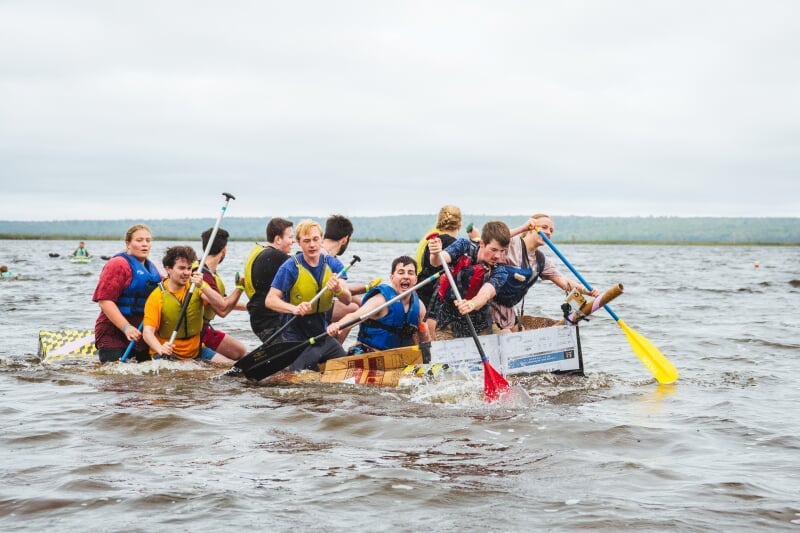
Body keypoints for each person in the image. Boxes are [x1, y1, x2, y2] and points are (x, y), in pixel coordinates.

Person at [265, 219, 351, 371]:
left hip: (321, 336)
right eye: (306, 241)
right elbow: (270, 300)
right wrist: (294, 309)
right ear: (299, 243)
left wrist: (338, 289)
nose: (312, 245)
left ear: (322, 240)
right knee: (300, 380)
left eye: (315, 239)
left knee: (346, 369)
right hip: (296, 338)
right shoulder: (290, 267)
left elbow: (347, 299)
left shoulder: (333, 264)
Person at [492, 214, 598, 332]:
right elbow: (492, 239)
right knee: (509, 337)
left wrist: (585, 290)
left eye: (551, 230)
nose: (548, 233)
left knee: (522, 335)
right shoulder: (512, 242)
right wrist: (523, 228)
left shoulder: (541, 260)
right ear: (531, 229)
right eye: (544, 227)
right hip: (488, 308)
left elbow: (564, 282)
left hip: (507, 312)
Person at [142, 245, 237, 366]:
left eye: (189, 268)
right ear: (168, 269)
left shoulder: (196, 287)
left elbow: (221, 305)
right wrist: (160, 348)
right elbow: (147, 333)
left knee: (233, 368)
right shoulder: (156, 297)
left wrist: (203, 285)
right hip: (167, 354)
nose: (187, 273)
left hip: (196, 352)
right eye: (181, 268)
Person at [427, 220, 511, 340]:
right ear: (482, 243)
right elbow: (437, 261)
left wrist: (471, 304)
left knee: (507, 338)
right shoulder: (464, 246)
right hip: (449, 322)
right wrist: (435, 253)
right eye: (494, 250)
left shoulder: (500, 270)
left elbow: (486, 294)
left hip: (480, 323)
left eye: (502, 251)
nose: (498, 256)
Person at [328, 256, 430, 353]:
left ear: (416, 279)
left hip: (397, 359)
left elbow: (424, 337)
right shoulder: (380, 300)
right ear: (392, 277)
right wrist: (338, 325)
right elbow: (354, 316)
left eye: (410, 273)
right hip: (367, 353)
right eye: (401, 272)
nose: (406, 276)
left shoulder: (419, 307)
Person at [92, 224, 163, 362]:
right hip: (114, 332)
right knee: (115, 379)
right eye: (139, 240)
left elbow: (168, 289)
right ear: (128, 243)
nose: (145, 244)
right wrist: (126, 328)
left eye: (148, 241)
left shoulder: (153, 267)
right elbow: (104, 301)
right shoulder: (118, 264)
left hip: (141, 333)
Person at [198, 227, 248, 360]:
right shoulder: (202, 275)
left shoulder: (209, 273)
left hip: (205, 329)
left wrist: (250, 308)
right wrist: (240, 288)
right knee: (235, 365)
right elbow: (222, 309)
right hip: (197, 333)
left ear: (204, 248)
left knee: (240, 351)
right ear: (224, 249)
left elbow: (223, 300)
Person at [243, 217, 295, 342]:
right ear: (278, 239)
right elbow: (301, 264)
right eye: (290, 237)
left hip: (260, 320)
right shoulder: (275, 256)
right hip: (268, 324)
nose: (293, 241)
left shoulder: (263, 253)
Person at [413, 205, 463, 310]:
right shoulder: (458, 246)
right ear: (459, 225)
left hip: (421, 292)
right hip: (439, 298)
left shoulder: (430, 241)